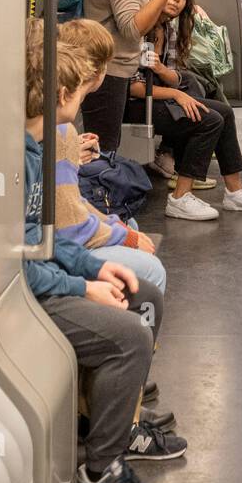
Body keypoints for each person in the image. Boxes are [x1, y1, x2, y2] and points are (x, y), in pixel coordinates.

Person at [22, 29, 186, 483]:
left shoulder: (39, 149)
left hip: (53, 272)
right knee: (131, 335)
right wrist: (82, 285)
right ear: (63, 94)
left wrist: (97, 267)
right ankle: (101, 471)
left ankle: (119, 426)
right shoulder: (27, 157)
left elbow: (44, 236)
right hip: (32, 288)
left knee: (143, 292)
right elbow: (18, 256)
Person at [124, 0, 242, 221]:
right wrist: (176, 94)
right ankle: (180, 198)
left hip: (159, 98)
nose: (176, 0)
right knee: (209, 120)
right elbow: (134, 87)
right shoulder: (143, 28)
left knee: (224, 113)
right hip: (138, 105)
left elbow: (174, 75)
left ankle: (235, 190)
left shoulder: (167, 29)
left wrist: (163, 72)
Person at [53, 18, 167, 292]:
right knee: (152, 269)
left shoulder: (61, 126)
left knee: (130, 222)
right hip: (58, 245)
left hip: (63, 228)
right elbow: (69, 222)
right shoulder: (60, 127)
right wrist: (124, 236)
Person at [79, 0, 192, 152]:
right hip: (108, 73)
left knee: (106, 145)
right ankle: (101, 189)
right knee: (103, 149)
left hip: (113, 71)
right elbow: (132, 28)